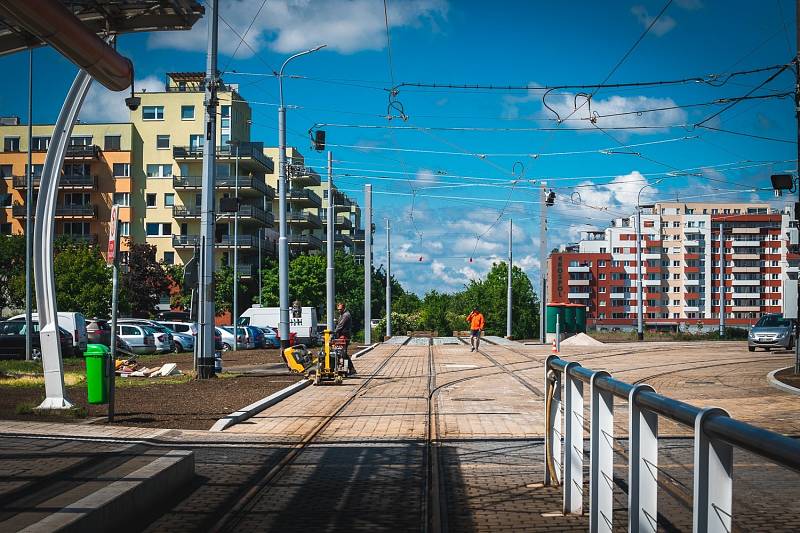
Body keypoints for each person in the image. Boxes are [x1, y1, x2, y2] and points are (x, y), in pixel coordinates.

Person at [334, 302, 356, 375]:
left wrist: (334, 333)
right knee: (342, 353)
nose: (339, 311)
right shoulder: (342, 314)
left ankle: (350, 369)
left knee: (343, 353)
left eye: (340, 309)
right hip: (342, 336)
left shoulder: (346, 315)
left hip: (344, 336)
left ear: (344, 308)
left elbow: (340, 326)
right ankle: (347, 368)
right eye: (338, 309)